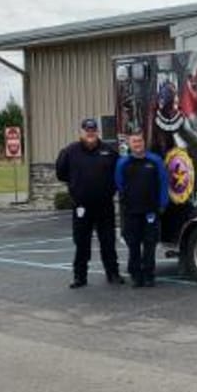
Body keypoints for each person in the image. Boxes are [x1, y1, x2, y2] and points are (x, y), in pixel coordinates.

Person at [55, 118, 124, 288]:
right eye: (87, 130)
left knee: (108, 242)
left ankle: (113, 274)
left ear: (97, 132)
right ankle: (80, 277)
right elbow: (61, 173)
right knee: (81, 243)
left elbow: (118, 175)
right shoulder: (70, 151)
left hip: (104, 206)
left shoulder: (109, 151)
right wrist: (76, 186)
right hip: (81, 207)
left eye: (93, 130)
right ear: (82, 132)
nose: (90, 133)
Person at [115, 130, 169, 288]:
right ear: (129, 144)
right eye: (134, 141)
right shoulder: (122, 163)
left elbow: (163, 182)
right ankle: (136, 275)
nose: (137, 144)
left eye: (140, 141)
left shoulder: (155, 160)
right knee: (133, 244)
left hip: (150, 211)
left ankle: (149, 275)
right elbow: (119, 183)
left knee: (150, 244)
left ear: (144, 142)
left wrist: (162, 203)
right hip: (131, 211)